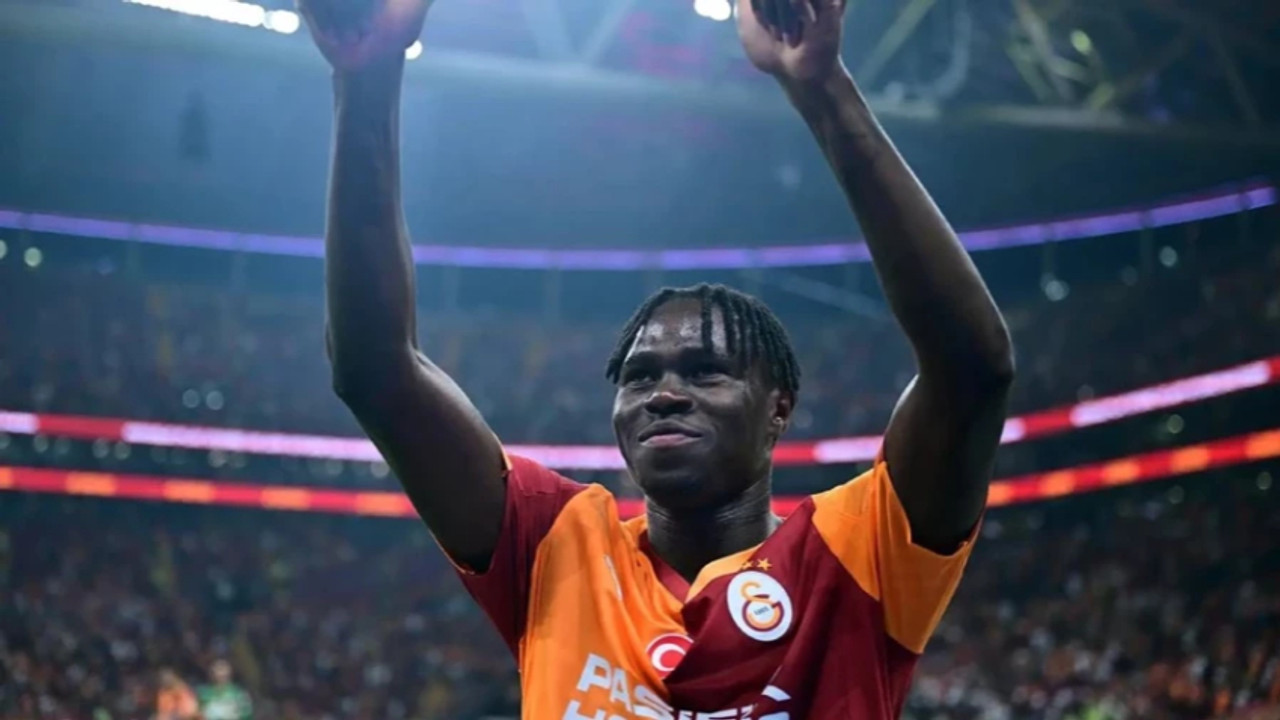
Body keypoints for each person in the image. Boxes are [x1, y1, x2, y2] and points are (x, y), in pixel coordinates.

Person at [300, 0, 1014, 715]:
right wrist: (366, 81)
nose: (664, 394)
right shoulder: (556, 545)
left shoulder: (859, 553)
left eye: (706, 371)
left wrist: (823, 89)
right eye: (639, 376)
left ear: (778, 409)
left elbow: (972, 371)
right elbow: (374, 369)